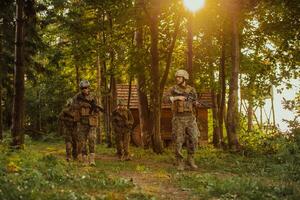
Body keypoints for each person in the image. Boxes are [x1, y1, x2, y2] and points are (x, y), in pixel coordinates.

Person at [165, 69, 200, 170]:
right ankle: (179, 161)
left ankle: (190, 159)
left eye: (179, 77)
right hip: (178, 118)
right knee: (178, 140)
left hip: (190, 117)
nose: (177, 79)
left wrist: (196, 103)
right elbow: (165, 99)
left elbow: (194, 100)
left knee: (194, 138)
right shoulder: (172, 89)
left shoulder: (191, 90)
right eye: (176, 77)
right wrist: (177, 98)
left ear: (184, 78)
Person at [72, 80, 103, 166]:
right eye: (83, 88)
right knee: (82, 141)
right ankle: (85, 159)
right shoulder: (77, 97)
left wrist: (95, 110)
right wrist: (82, 105)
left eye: (86, 88)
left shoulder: (93, 97)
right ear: (81, 89)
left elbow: (98, 109)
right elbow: (73, 107)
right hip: (81, 122)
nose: (85, 89)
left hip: (91, 121)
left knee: (92, 138)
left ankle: (92, 159)